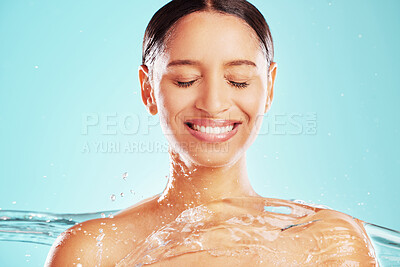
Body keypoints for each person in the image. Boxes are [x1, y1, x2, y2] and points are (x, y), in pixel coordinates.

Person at [45, 0, 378, 266]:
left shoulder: (330, 243)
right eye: (186, 80)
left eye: (238, 81)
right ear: (147, 89)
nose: (214, 104)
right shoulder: (92, 252)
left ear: (270, 87)